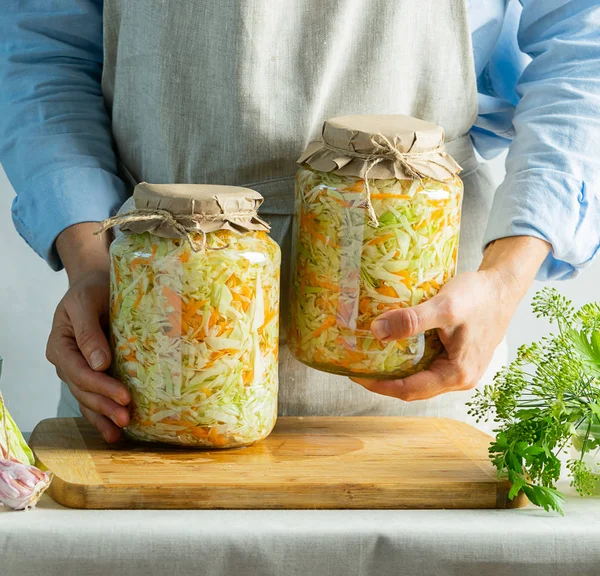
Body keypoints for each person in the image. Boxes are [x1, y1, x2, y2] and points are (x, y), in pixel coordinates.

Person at [0, 1, 598, 443]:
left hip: (419, 342)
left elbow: (582, 44)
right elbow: (41, 54)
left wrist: (504, 277)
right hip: (154, 326)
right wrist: (90, 261)